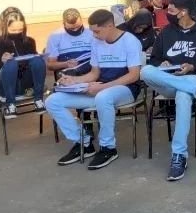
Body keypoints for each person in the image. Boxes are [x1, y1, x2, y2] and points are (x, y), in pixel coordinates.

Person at [46, 9, 143, 169]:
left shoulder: (130, 41)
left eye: (97, 31)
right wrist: (74, 80)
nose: (94, 35)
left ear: (110, 26)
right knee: (52, 101)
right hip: (99, 88)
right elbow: (94, 73)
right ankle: (83, 142)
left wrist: (103, 87)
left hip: (126, 89)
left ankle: (108, 148)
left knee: (103, 97)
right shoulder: (97, 42)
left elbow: (134, 75)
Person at [140, 0, 196, 181]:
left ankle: (179, 155)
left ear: (183, 12)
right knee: (146, 71)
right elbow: (155, 58)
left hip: (192, 78)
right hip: (169, 81)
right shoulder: (166, 32)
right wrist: (162, 63)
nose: (168, 12)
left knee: (184, 94)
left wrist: (193, 66)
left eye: (172, 10)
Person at [0, 7, 47, 119]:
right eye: (13, 30)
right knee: (11, 63)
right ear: (4, 28)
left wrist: (38, 59)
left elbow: (34, 65)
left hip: (25, 84)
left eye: (20, 30)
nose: (17, 33)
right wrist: (2, 62)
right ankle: (10, 105)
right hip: (4, 86)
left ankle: (38, 100)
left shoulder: (29, 42)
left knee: (37, 60)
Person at [45, 8, 94, 80]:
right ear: (64, 23)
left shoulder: (92, 31)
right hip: (69, 74)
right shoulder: (55, 36)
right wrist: (65, 64)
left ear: (81, 20)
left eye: (78, 27)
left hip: (92, 71)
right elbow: (50, 65)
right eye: (71, 29)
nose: (75, 30)